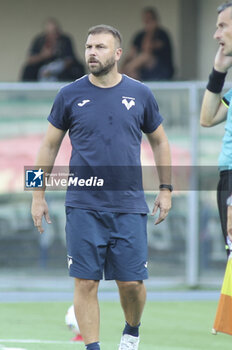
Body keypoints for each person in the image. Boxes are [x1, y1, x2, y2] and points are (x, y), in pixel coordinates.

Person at [31, 24, 172, 350]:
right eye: (89, 46)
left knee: (132, 285)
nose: (92, 53)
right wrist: (36, 194)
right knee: (85, 283)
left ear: (118, 54)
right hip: (82, 205)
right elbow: (47, 147)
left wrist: (166, 188)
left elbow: (160, 141)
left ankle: (131, 332)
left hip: (128, 204)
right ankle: (92, 347)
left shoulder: (140, 94)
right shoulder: (68, 94)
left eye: (100, 47)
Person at [200, 2, 232, 256]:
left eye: (223, 26)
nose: (216, 35)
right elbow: (207, 117)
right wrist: (218, 72)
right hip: (227, 178)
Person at [21, 18, 85, 81]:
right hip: (41, 67)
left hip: (60, 68)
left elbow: (69, 59)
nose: (53, 35)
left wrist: (52, 70)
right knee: (28, 70)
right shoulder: (39, 40)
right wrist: (43, 56)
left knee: (76, 69)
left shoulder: (65, 40)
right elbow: (30, 59)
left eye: (55, 32)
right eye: (50, 33)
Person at [121, 7, 174, 81]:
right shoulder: (139, 35)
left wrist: (150, 32)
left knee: (146, 56)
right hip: (143, 72)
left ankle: (126, 71)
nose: (147, 21)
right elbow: (130, 54)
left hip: (162, 71)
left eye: (150, 19)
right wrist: (122, 68)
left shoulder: (162, 34)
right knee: (131, 71)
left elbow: (147, 50)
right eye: (145, 19)